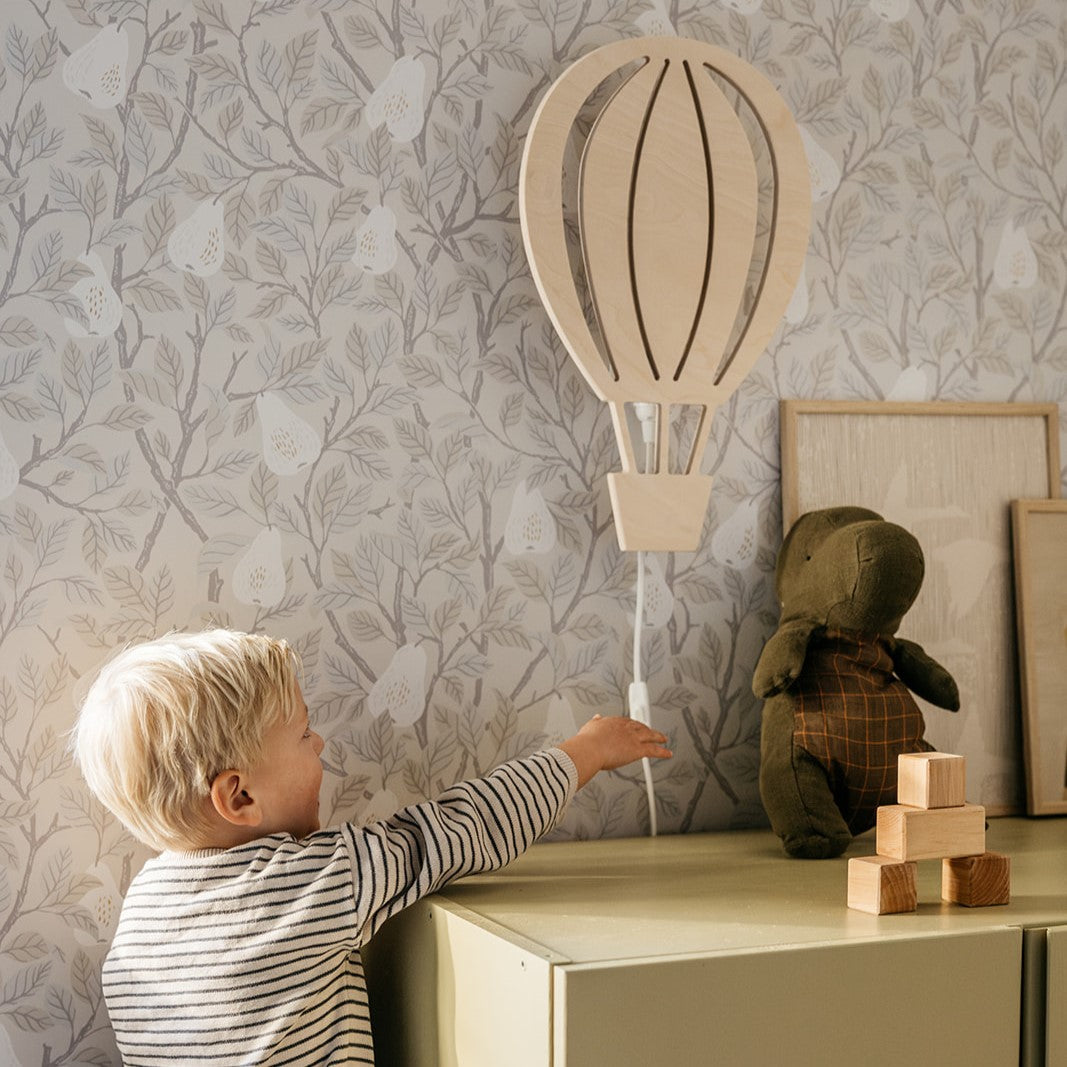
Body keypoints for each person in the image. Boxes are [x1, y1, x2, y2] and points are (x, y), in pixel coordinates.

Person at [72, 629, 672, 1066]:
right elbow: (460, 831)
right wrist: (583, 753)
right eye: (304, 734)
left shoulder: (141, 915)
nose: (322, 742)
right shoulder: (311, 881)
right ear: (239, 798)